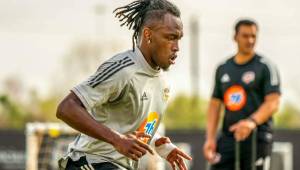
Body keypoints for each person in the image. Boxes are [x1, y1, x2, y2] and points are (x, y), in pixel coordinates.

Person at [56, 0, 192, 170]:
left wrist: (160, 145)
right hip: (91, 162)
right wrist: (117, 140)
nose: (177, 47)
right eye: (170, 37)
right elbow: (66, 108)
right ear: (148, 35)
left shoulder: (162, 84)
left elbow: (139, 128)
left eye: (178, 39)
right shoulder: (123, 69)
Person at [203, 19, 281, 170]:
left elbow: (273, 102)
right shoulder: (223, 68)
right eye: (245, 36)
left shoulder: (265, 66)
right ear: (235, 37)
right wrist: (210, 139)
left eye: (253, 36)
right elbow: (214, 105)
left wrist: (251, 122)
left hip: (257, 137)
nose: (250, 40)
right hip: (228, 137)